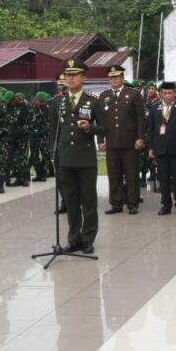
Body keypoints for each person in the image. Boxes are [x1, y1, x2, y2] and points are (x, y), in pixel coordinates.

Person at [49, 58, 106, 254]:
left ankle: (88, 237)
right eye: (68, 75)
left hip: (85, 159)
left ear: (84, 77)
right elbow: (52, 131)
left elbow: (104, 127)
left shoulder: (92, 101)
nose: (70, 78)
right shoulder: (58, 101)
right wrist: (52, 154)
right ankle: (74, 238)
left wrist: (90, 128)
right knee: (71, 200)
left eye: (75, 75)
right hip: (65, 159)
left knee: (88, 200)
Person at [98, 64, 146, 215]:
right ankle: (116, 203)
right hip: (111, 142)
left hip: (130, 142)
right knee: (114, 174)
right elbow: (100, 121)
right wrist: (100, 140)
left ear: (123, 78)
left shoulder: (132, 94)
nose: (114, 79)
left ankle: (132, 203)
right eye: (112, 77)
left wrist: (140, 138)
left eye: (117, 77)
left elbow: (140, 118)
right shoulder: (104, 96)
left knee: (131, 174)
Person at [146, 81, 176, 216]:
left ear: (175, 93)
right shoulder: (154, 108)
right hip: (160, 149)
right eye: (164, 93)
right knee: (163, 179)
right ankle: (166, 204)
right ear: (161, 94)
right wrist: (151, 147)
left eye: (170, 93)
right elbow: (151, 130)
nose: (167, 95)